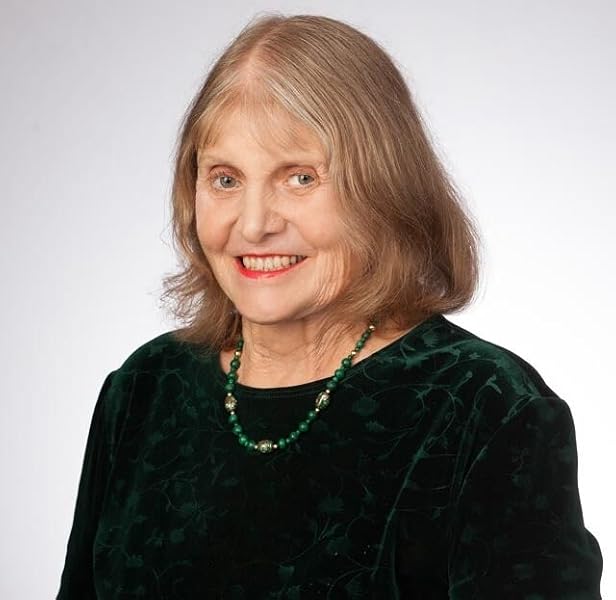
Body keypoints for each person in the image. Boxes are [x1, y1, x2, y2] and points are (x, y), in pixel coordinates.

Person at [57, 13, 602, 599]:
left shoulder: (485, 408)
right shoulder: (143, 390)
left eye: (299, 178)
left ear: (383, 188)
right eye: (225, 179)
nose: (254, 224)